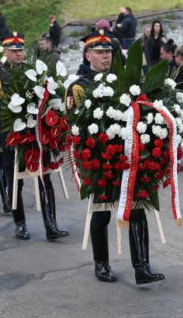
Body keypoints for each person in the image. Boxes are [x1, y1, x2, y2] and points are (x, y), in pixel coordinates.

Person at [69, 31, 163, 284]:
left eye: (109, 52)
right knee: (101, 213)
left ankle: (142, 267)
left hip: (128, 158)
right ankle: (101, 264)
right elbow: (76, 126)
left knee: (137, 209)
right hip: (99, 160)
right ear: (88, 55)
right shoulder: (79, 86)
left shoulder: (123, 81)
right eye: (99, 52)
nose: (105, 56)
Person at [0, 32, 33, 240]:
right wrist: (16, 106)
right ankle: (20, 223)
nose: (18, 54)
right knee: (15, 180)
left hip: (33, 132)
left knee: (43, 177)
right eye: (13, 51)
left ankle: (51, 223)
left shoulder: (32, 71)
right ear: (5, 51)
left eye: (20, 50)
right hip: (11, 132)